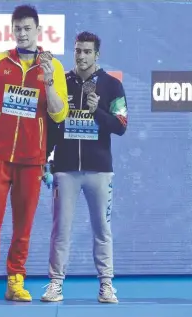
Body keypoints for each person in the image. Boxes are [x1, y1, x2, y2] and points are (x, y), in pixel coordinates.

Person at [0, 4, 69, 302]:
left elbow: (59, 114)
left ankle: (15, 280)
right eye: (18, 29)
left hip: (32, 160)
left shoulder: (54, 67)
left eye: (28, 29)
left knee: (23, 225)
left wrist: (48, 82)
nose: (22, 34)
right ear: (13, 30)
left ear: (39, 31)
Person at [41, 31, 128, 303]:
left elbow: (122, 126)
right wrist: (46, 158)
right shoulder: (62, 82)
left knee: (102, 229)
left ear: (96, 54)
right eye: (78, 50)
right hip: (65, 169)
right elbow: (52, 125)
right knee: (61, 229)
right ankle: (55, 283)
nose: (81, 56)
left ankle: (106, 285)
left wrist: (97, 112)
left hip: (99, 170)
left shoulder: (112, 85)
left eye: (87, 51)